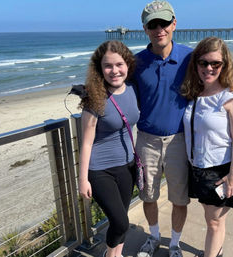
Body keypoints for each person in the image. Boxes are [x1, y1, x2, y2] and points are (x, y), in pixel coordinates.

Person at [132, 1, 193, 257]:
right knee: (148, 195)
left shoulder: (190, 58)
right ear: (145, 29)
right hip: (146, 140)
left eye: (164, 23)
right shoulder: (136, 62)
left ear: (174, 24)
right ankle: (154, 237)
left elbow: (218, 74)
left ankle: (175, 244)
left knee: (180, 198)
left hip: (179, 140)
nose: (160, 29)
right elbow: (111, 85)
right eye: (153, 24)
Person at [181, 37, 233, 257]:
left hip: (221, 170)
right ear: (196, 64)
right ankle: (217, 252)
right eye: (203, 63)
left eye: (215, 64)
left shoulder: (232, 98)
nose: (208, 68)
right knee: (213, 220)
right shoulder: (193, 93)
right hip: (198, 167)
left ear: (224, 65)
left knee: (214, 223)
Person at [78, 40, 140, 257]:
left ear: (128, 65)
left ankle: (115, 254)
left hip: (127, 165)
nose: (114, 71)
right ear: (100, 68)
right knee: (121, 222)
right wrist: (82, 179)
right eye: (108, 66)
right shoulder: (94, 98)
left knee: (121, 216)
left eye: (119, 64)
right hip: (100, 170)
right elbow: (86, 143)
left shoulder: (133, 89)